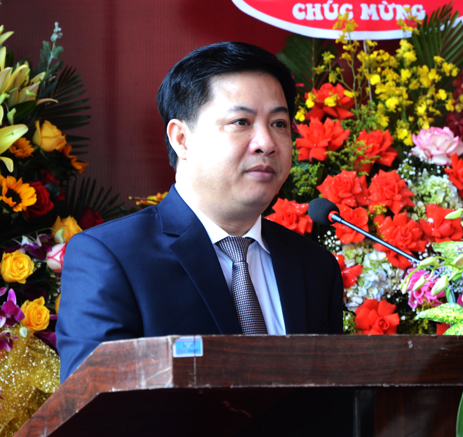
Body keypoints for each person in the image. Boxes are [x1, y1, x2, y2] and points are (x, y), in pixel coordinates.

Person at [56, 42, 344, 382]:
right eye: (241, 121)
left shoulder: (313, 266)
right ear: (182, 139)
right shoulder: (111, 258)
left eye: (279, 124)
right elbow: (94, 408)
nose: (267, 142)